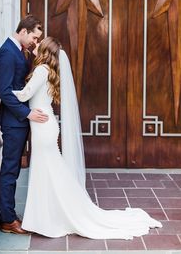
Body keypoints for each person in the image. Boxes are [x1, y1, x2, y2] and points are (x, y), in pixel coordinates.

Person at [12, 36, 162, 239]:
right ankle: (51, 215)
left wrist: (2, 91)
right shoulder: (49, 71)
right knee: (48, 171)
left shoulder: (41, 70)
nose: (35, 45)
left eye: (40, 43)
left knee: (47, 170)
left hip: (42, 128)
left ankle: (51, 216)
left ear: (46, 50)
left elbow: (24, 95)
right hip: (45, 126)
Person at [0, 15, 49, 235]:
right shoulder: (8, 53)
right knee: (10, 169)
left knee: (15, 168)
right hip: (13, 122)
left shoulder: (19, 51)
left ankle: (10, 214)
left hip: (19, 123)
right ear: (24, 31)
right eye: (34, 37)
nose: (35, 42)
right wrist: (27, 114)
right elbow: (4, 92)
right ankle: (8, 220)